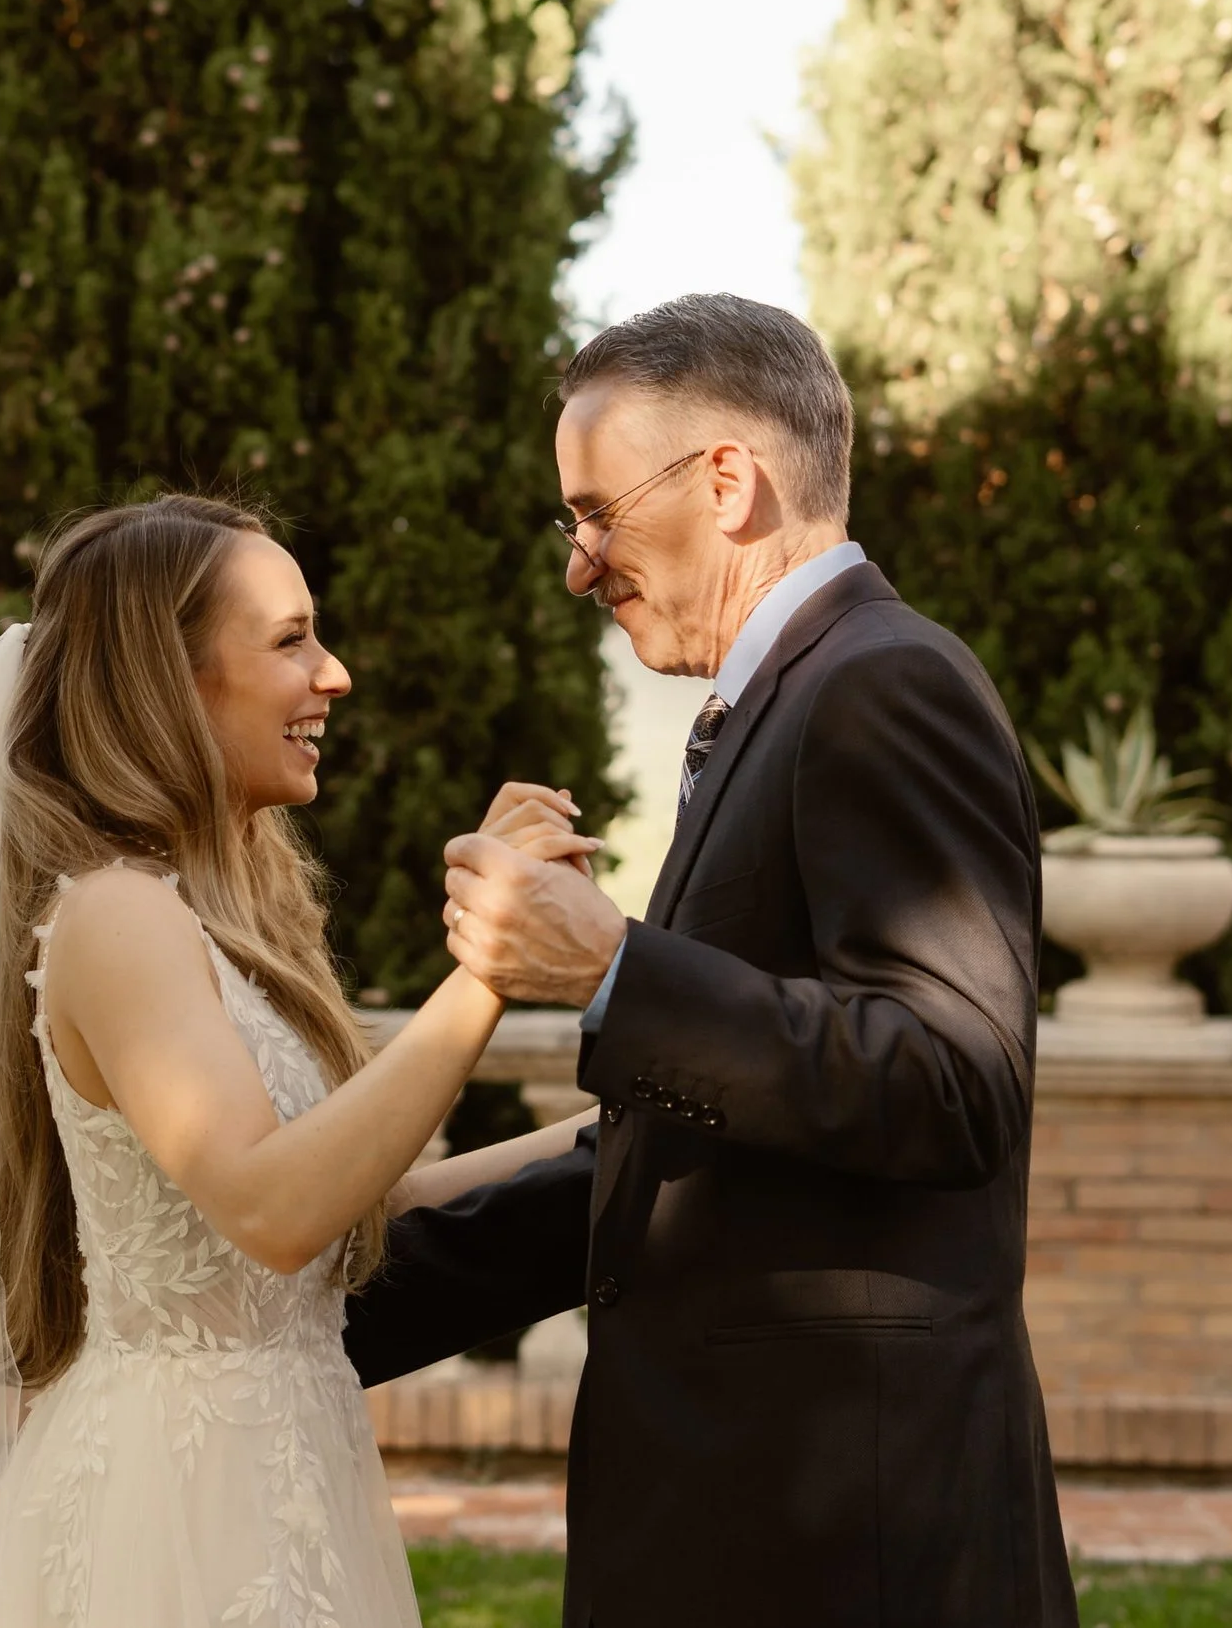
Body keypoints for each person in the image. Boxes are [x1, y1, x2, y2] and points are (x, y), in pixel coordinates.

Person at [0, 494, 594, 1628]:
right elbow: (271, 1209)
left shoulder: (218, 914)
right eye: (288, 640)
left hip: (283, 1472)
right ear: (167, 681)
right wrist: (485, 971)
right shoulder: (115, 918)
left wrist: (612, 1133)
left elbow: (358, 1200)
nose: (334, 676)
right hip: (175, 1506)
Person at [343, 294, 1080, 1626]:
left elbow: (953, 1079)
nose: (578, 563)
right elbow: (676, 1159)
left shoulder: (884, 683)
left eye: (595, 511)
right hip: (745, 1524)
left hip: (856, 1547)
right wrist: (295, 1323)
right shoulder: (779, 704)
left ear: (727, 479)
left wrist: (614, 965)